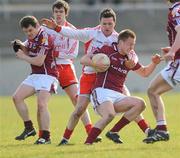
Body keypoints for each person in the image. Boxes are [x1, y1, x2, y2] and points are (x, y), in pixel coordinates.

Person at [41, 8, 151, 145]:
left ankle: (147, 131)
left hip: (110, 77)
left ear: (114, 24)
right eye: (104, 23)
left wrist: (132, 61)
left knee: (130, 103)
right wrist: (57, 28)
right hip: (89, 75)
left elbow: (132, 52)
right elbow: (73, 33)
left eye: (110, 24)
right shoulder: (92, 33)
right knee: (79, 110)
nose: (107, 27)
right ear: (100, 22)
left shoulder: (118, 38)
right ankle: (65, 139)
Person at [84, 29, 162, 144]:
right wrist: (96, 64)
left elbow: (145, 73)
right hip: (101, 91)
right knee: (109, 115)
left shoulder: (129, 59)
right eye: (129, 44)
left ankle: (114, 132)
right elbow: (84, 59)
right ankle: (88, 143)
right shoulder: (107, 50)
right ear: (120, 42)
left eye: (133, 45)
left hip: (118, 95)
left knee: (140, 104)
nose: (132, 47)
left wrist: (154, 63)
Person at [41, 0, 93, 139]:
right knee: (42, 101)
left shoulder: (71, 30)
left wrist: (53, 53)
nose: (58, 14)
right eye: (56, 12)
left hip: (65, 67)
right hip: (49, 66)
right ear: (53, 13)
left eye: (61, 12)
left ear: (66, 13)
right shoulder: (45, 28)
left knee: (77, 100)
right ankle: (43, 135)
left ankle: (90, 130)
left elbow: (73, 54)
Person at [12, 16, 59, 144]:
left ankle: (46, 137)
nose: (29, 34)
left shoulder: (44, 37)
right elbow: (28, 50)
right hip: (35, 75)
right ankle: (29, 128)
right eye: (26, 32)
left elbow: (39, 61)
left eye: (31, 30)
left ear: (37, 26)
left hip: (48, 75)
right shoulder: (31, 37)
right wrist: (20, 45)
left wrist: (22, 56)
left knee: (42, 105)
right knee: (16, 97)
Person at [143, 0, 180, 144]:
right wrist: (171, 48)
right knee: (153, 91)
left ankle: (162, 130)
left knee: (153, 91)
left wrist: (173, 50)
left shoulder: (177, 9)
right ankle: (161, 129)